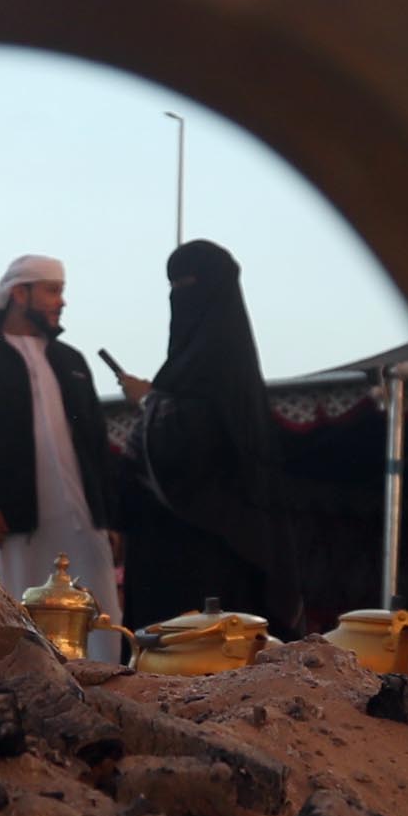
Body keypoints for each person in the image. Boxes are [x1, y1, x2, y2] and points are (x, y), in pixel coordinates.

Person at [0, 254, 123, 631]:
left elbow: (96, 445)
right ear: (19, 293)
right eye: (52, 291)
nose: (61, 302)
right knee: (14, 619)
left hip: (81, 522)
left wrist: (111, 517)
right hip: (10, 524)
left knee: (95, 620)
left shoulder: (70, 360)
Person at [113, 239, 289, 622]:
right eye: (172, 288)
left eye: (184, 286)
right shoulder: (200, 366)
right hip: (175, 548)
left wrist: (148, 401)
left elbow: (191, 450)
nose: (178, 297)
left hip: (201, 554)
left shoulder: (217, 366)